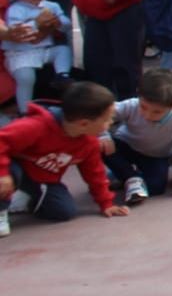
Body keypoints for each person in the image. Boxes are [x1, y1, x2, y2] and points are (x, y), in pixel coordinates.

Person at [0, 81, 127, 232]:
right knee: (11, 174)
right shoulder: (36, 125)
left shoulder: (89, 142)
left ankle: (26, 197)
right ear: (84, 123)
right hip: (11, 167)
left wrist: (106, 203)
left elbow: (95, 173)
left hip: (42, 178)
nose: (111, 123)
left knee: (64, 211)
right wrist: (3, 173)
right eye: (107, 119)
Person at [102, 69, 172, 204]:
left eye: (157, 112)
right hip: (126, 144)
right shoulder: (131, 105)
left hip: (155, 155)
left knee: (156, 187)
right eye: (143, 107)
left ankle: (125, 177)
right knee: (102, 146)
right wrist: (103, 135)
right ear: (139, 94)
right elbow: (103, 112)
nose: (147, 115)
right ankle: (131, 178)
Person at [4, 0, 71, 108]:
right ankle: (24, 110)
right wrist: (36, 23)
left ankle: (62, 75)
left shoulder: (51, 6)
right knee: (26, 78)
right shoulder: (15, 9)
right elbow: (18, 32)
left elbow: (67, 25)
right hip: (21, 54)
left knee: (63, 50)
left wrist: (58, 23)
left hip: (44, 50)